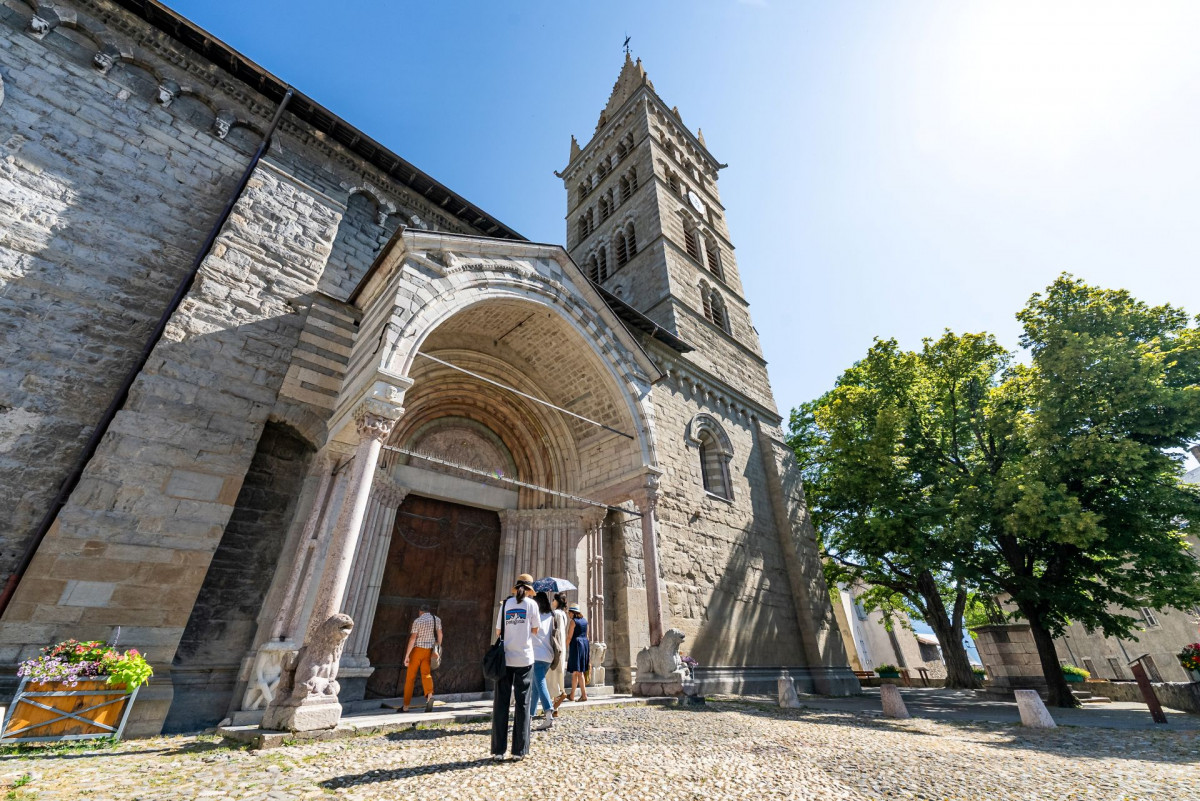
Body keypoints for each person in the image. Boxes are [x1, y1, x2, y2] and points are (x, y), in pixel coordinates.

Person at [491, 573, 539, 762]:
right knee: (523, 703)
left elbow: (498, 631)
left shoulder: (505, 605)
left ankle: (498, 750)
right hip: (524, 659)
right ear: (529, 590)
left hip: (505, 659)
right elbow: (535, 630)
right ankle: (519, 750)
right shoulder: (532, 605)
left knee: (501, 703)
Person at [401, 603, 442, 713]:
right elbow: (440, 634)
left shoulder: (418, 621)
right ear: (429, 610)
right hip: (429, 651)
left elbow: (412, 639)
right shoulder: (436, 619)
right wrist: (438, 646)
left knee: (410, 678)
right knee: (426, 674)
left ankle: (405, 706)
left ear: (420, 611)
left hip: (417, 650)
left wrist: (407, 655)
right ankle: (429, 696)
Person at [529, 592, 558, 731]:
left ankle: (548, 714)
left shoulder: (535, 616)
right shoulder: (551, 616)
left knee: (540, 683)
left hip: (537, 655)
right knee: (535, 687)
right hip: (548, 655)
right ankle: (529, 715)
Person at [548, 593, 570, 712]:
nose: (552, 602)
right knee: (558, 673)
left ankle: (555, 703)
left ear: (557, 601)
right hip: (561, 647)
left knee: (552, 675)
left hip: (555, 646)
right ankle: (556, 702)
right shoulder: (564, 615)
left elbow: (552, 631)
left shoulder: (555, 614)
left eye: (553, 600)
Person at [565, 603, 590, 703]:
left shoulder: (573, 622)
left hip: (576, 646)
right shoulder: (585, 621)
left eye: (569, 613)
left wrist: (563, 648)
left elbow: (569, 637)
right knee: (575, 672)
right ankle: (572, 695)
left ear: (573, 613)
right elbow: (587, 635)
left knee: (579, 672)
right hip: (584, 645)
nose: (568, 615)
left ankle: (584, 695)